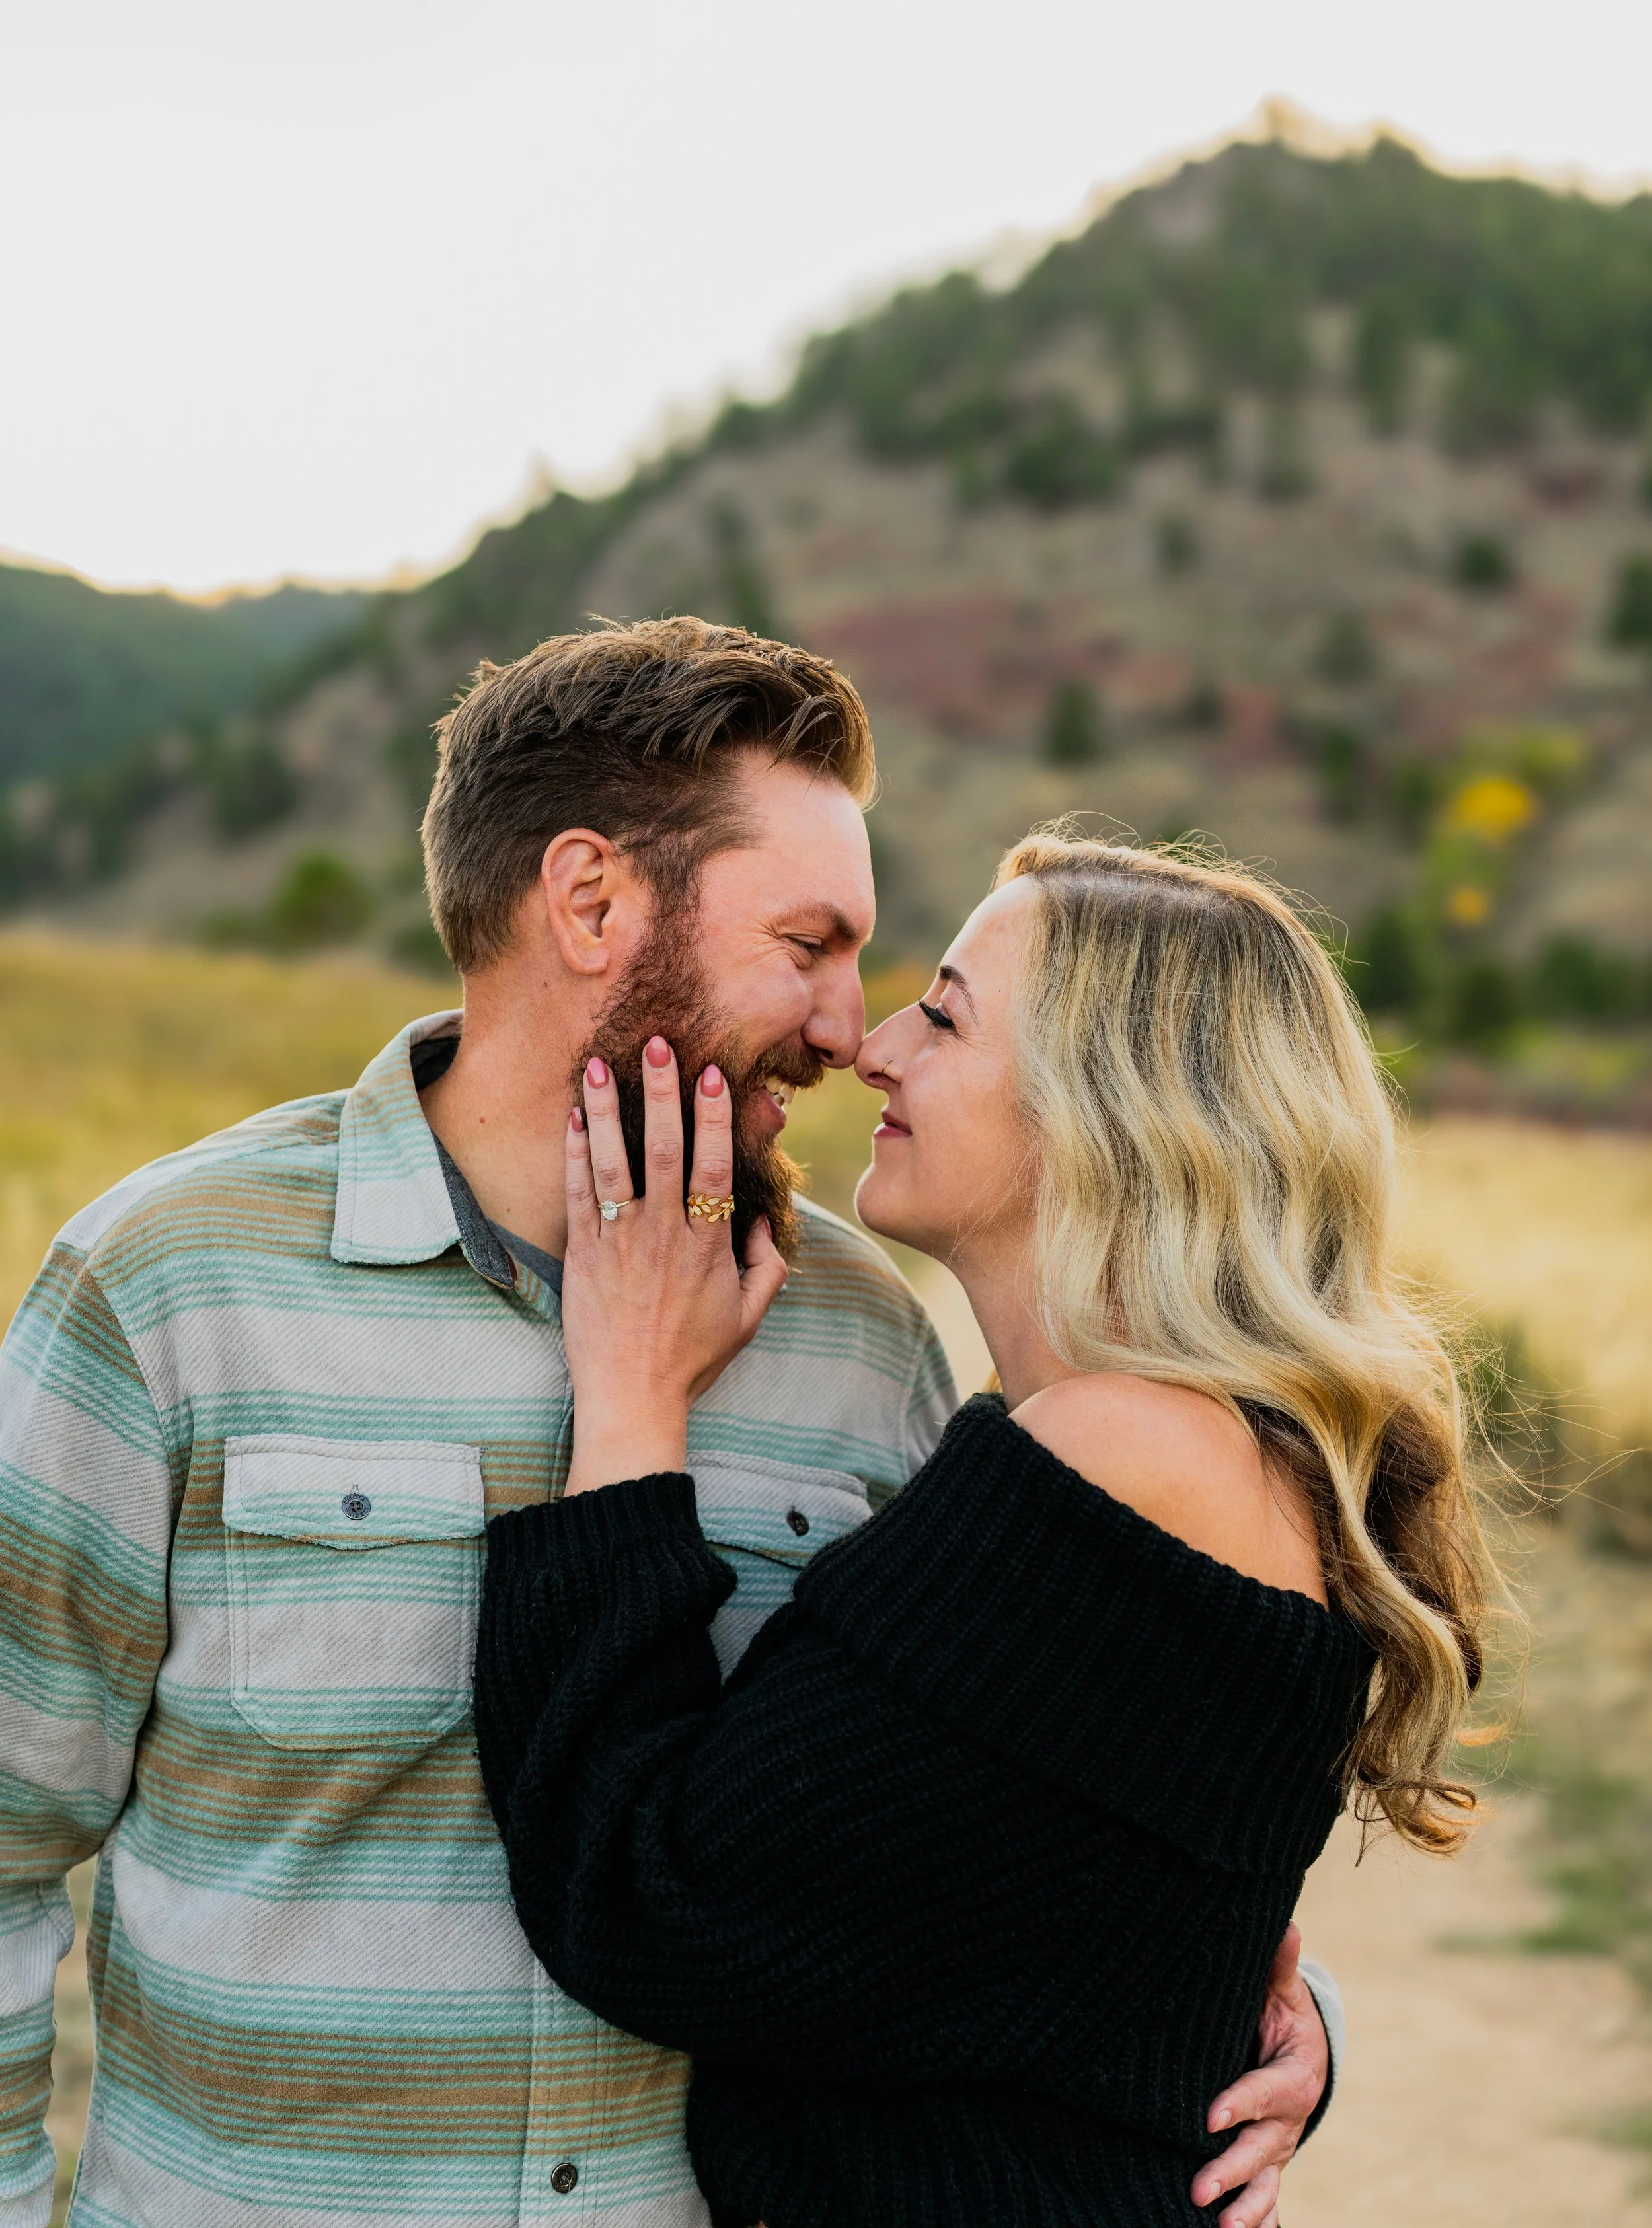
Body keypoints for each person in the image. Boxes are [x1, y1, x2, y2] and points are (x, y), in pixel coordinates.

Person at [0, 622, 1330, 2228]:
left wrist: (1271, 2029)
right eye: (808, 944)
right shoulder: (167, 1289)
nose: (849, 1034)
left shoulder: (859, 1337)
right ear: (590, 904)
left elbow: (996, 1844)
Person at [474, 833, 1499, 2228]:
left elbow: (658, 1909)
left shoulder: (1126, 1456)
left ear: (1109, 1108)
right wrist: (1284, 2020)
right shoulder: (1192, 1451)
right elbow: (1028, 1945)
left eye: (944, 1014)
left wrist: (632, 1402)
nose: (876, 1048)